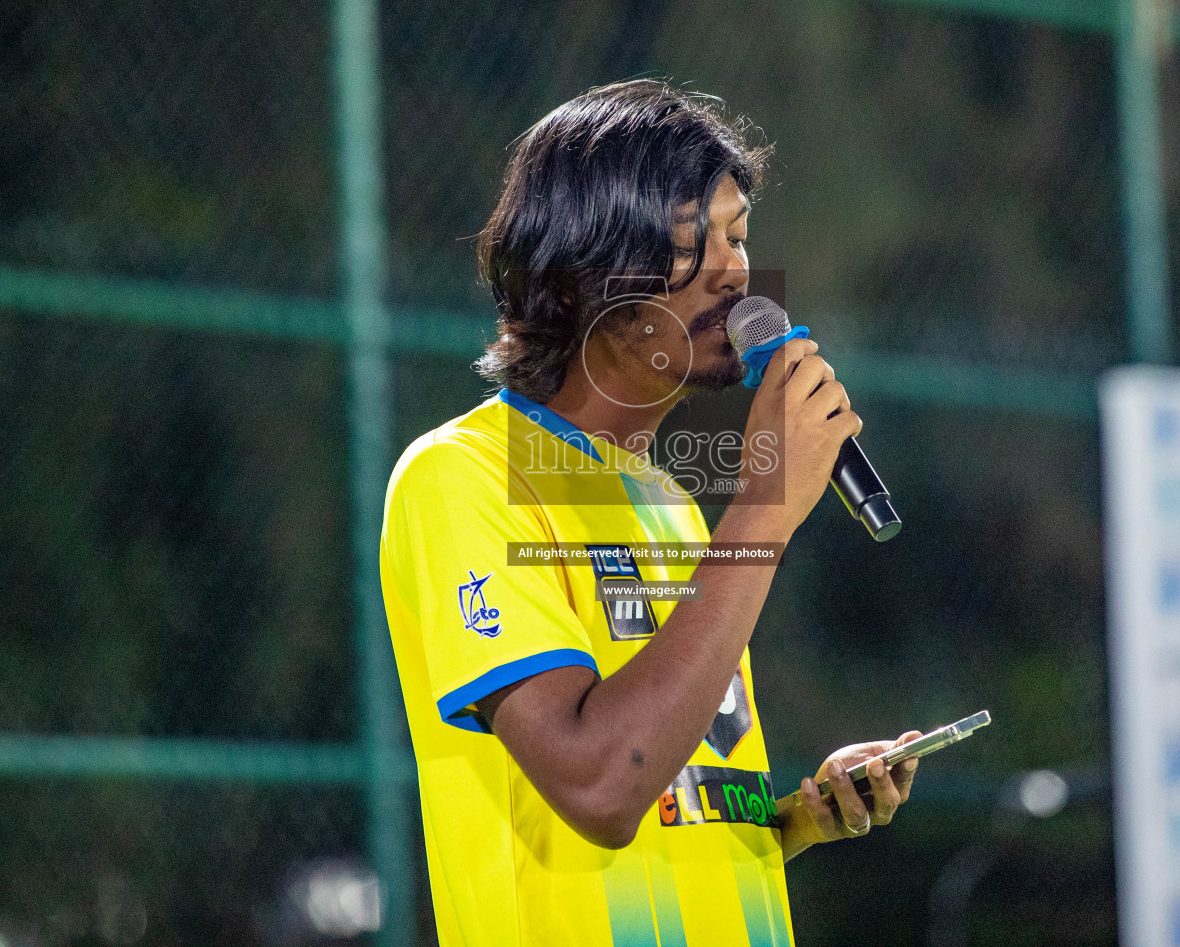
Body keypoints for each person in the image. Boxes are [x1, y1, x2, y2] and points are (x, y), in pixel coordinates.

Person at [379, 79, 920, 946]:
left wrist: (798, 819)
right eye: (692, 239)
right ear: (585, 263)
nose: (736, 270)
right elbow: (600, 788)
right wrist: (766, 508)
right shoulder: (461, 478)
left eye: (739, 237)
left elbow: (677, 804)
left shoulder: (671, 504)